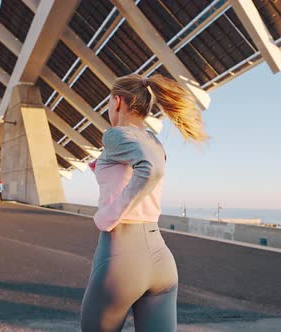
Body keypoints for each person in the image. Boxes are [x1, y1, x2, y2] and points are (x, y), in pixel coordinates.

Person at [81, 74, 207, 331]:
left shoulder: (116, 135)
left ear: (117, 102)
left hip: (121, 256)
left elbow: (151, 170)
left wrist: (110, 213)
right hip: (160, 260)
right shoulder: (153, 140)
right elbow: (147, 169)